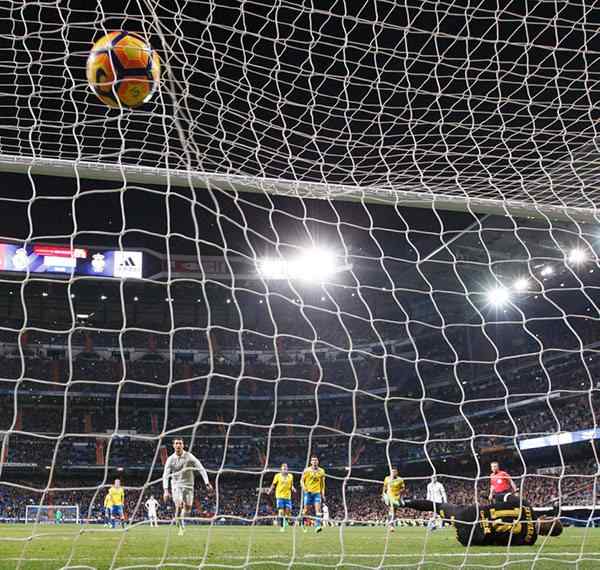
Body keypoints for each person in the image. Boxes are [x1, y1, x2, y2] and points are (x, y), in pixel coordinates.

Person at [402, 496, 562, 546]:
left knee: (437, 506)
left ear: (545, 517)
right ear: (546, 535)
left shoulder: (525, 504)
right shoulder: (530, 541)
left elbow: (501, 497)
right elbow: (500, 543)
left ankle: (403, 503)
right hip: (470, 538)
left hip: (469, 515)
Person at [162, 438, 213, 536]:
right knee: (179, 504)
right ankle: (181, 526)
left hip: (189, 485)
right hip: (176, 485)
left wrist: (207, 483)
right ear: (173, 446)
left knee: (188, 508)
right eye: (176, 443)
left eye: (180, 443)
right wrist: (166, 490)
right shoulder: (170, 459)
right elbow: (165, 475)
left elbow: (201, 468)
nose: (178, 445)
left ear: (183, 445)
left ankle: (179, 519)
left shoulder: (189, 456)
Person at [267, 463, 296, 532]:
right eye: (283, 469)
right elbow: (273, 484)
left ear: (287, 469)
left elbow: (291, 484)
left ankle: (286, 520)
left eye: (286, 468)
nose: (285, 470)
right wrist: (270, 490)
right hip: (279, 496)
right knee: (281, 511)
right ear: (281, 469)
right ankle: (282, 526)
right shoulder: (277, 476)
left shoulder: (290, 476)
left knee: (288, 511)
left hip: (288, 496)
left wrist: (293, 488)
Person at [301, 456, 326, 533]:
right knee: (306, 511)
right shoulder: (307, 470)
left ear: (318, 461)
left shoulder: (321, 471)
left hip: (317, 493)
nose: (314, 462)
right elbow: (301, 481)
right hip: (308, 493)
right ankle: (302, 523)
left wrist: (323, 493)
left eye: (316, 460)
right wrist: (304, 488)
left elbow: (322, 484)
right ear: (311, 462)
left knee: (318, 510)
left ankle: (318, 526)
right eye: (313, 460)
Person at [382, 467, 405, 532]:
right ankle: (391, 526)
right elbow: (384, 487)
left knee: (394, 511)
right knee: (391, 509)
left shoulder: (400, 479)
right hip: (389, 496)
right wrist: (383, 495)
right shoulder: (387, 478)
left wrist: (399, 492)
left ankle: (390, 523)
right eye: (392, 472)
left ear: (397, 472)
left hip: (397, 497)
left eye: (395, 472)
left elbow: (403, 488)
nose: (393, 473)